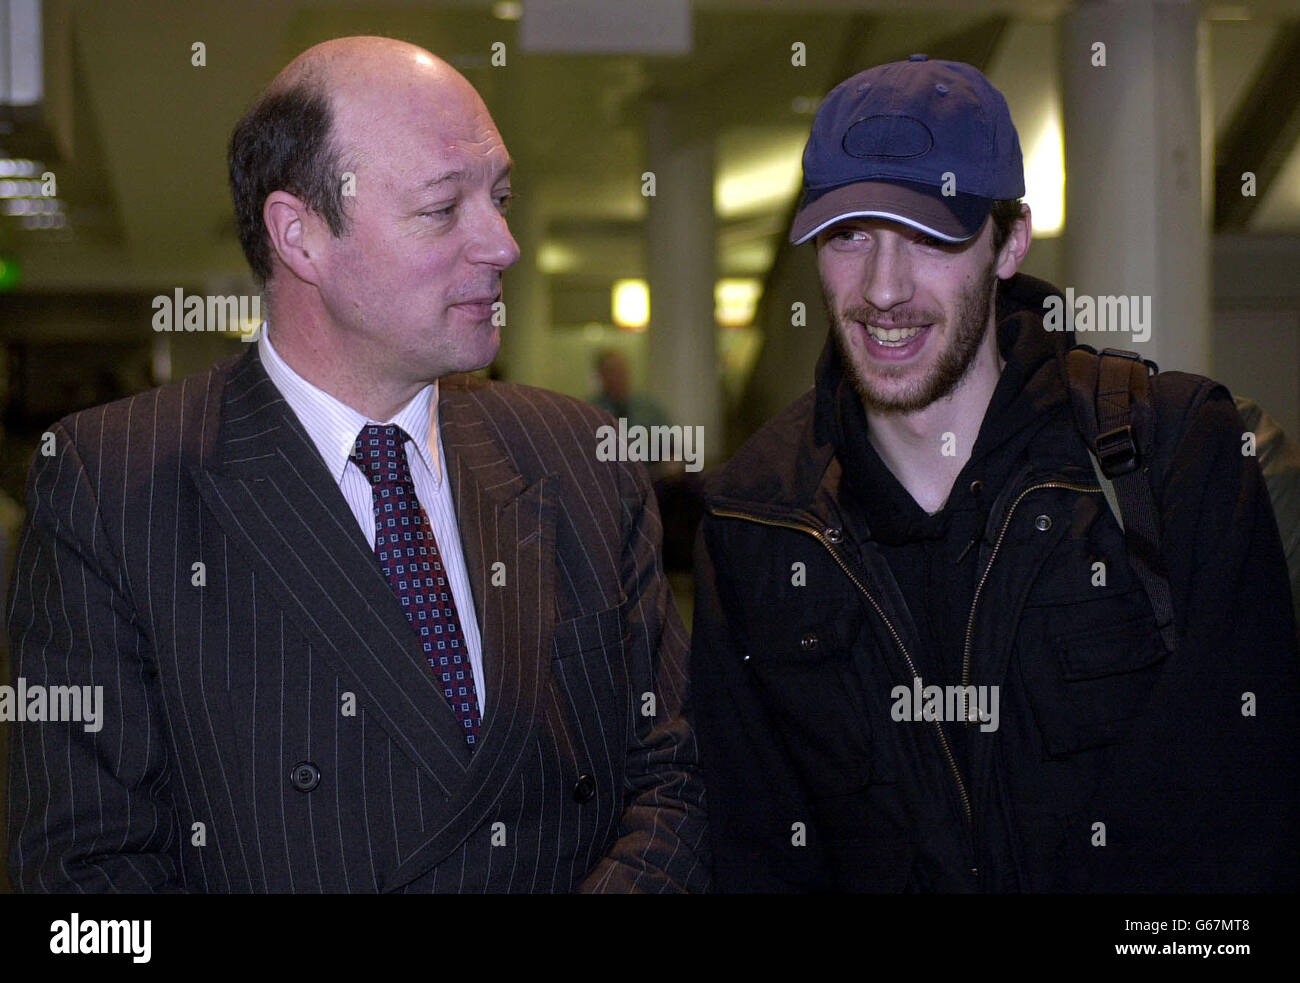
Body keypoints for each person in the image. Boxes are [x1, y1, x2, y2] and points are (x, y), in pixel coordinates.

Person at [6, 36, 706, 893]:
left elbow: (677, 774)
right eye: (444, 207)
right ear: (299, 235)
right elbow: (86, 874)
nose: (504, 245)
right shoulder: (116, 486)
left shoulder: (581, 457)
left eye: (502, 197)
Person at [690, 55, 1300, 892]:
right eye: (850, 235)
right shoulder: (756, 518)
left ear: (1009, 241)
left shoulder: (1171, 455)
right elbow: (756, 851)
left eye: (931, 237)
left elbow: (1250, 833)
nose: (883, 289)